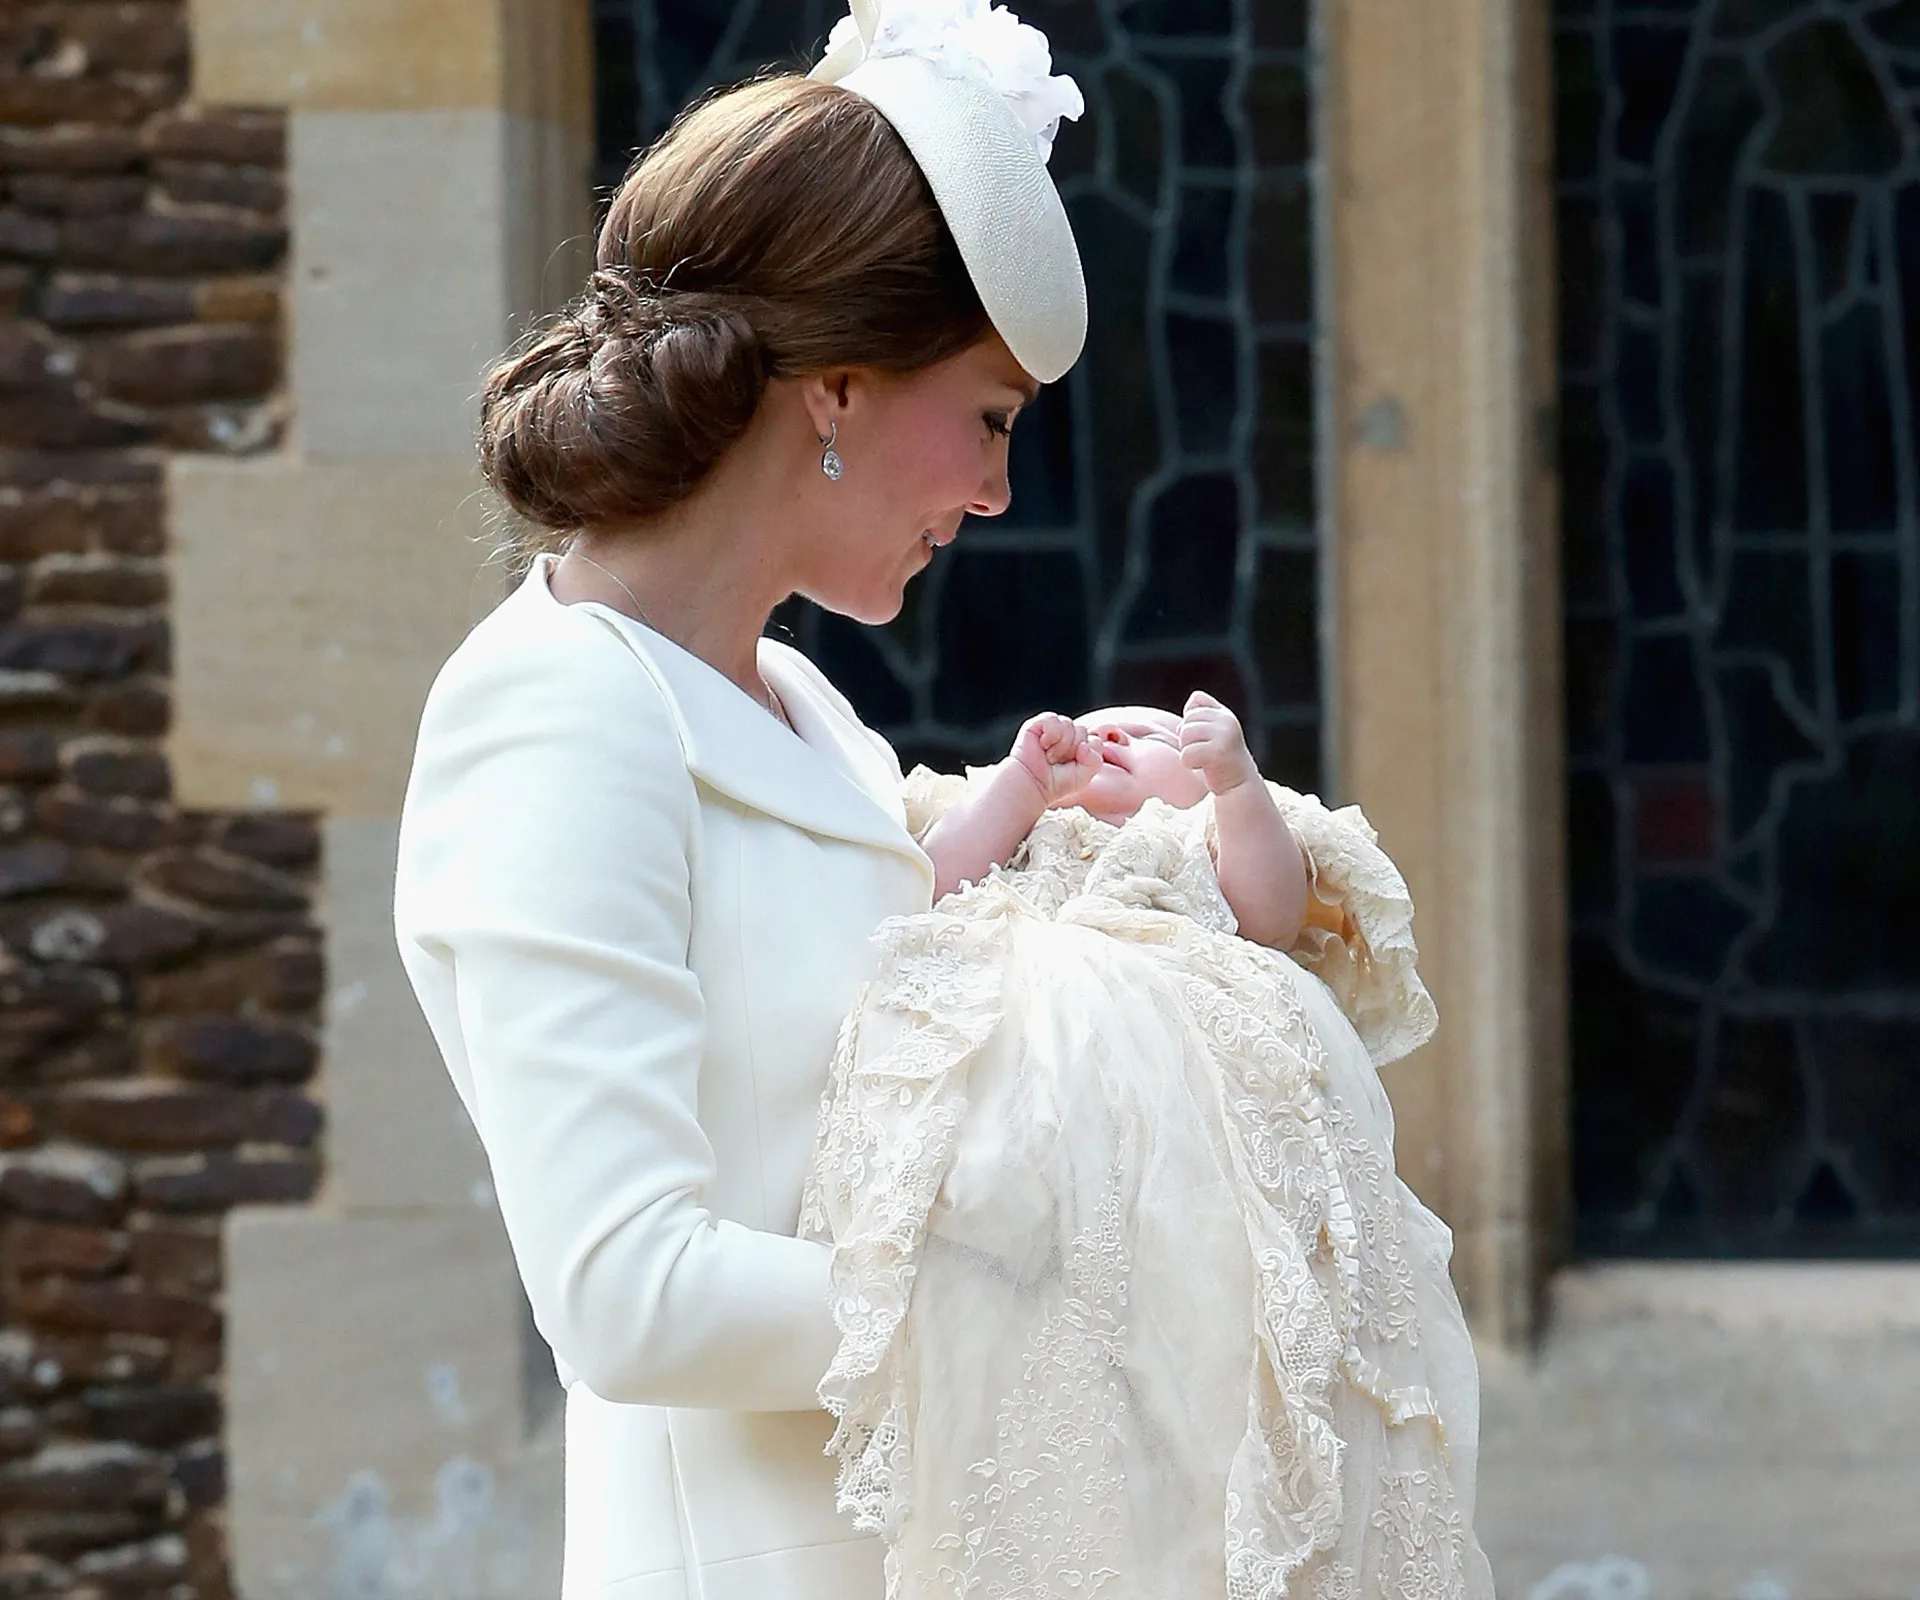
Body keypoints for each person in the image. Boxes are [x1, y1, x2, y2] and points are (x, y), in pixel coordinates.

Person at [391, 0, 1088, 1595]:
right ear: (835, 386)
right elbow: (631, 1291)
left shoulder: (802, 706)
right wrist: (1043, 1279)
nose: (992, 491)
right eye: (985, 419)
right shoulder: (556, 715)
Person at [804, 696, 1495, 1599]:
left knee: (1205, 1318)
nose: (1119, 734)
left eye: (1159, 733)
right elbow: (923, 883)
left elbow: (1273, 914)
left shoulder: (1198, 837)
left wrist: (1236, 785)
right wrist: (1019, 788)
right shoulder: (1020, 838)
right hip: (1038, 1131)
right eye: (1097, 725)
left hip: (1183, 1121)